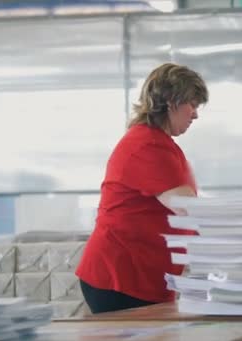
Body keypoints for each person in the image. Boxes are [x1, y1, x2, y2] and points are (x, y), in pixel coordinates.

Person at [76, 63, 208, 314]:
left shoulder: (160, 143)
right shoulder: (147, 145)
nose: (195, 114)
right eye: (192, 104)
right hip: (121, 277)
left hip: (145, 275)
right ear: (171, 101)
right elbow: (189, 210)